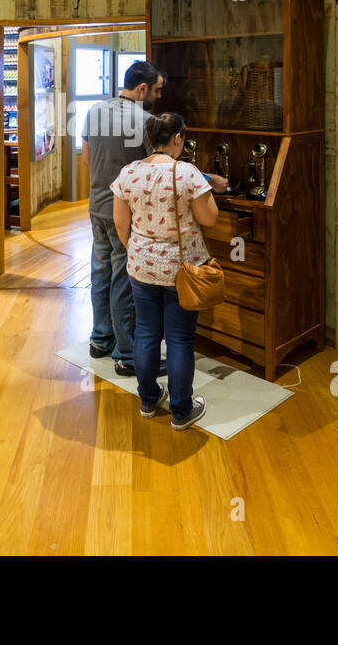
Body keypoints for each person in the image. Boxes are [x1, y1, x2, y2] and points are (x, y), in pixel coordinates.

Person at [110, 112, 219, 431]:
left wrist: (134, 250)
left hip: (142, 266)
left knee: (145, 332)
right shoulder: (187, 173)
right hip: (181, 270)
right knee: (180, 339)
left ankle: (148, 400)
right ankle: (181, 411)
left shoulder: (128, 172)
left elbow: (120, 221)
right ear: (177, 139)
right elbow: (209, 218)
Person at [80, 60, 165, 376]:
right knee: (123, 279)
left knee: (100, 271)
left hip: (96, 205)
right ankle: (127, 355)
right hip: (124, 213)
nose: (156, 96)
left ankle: (100, 339)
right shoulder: (145, 121)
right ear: (142, 88)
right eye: (155, 90)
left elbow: (86, 158)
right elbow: (153, 170)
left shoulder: (93, 112)